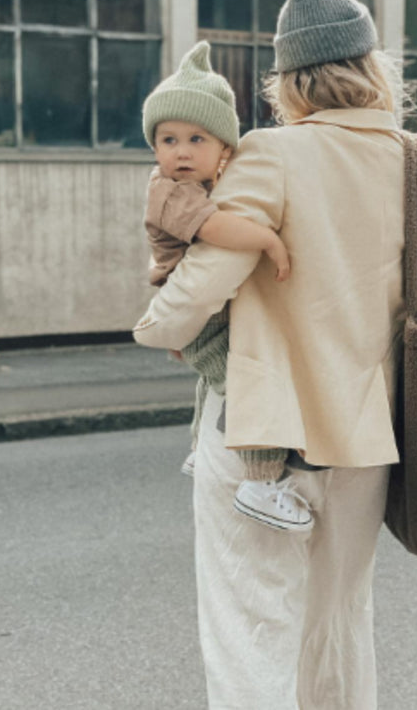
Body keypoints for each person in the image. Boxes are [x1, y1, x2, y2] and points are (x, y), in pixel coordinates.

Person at [133, 0, 417, 710]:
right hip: (369, 440)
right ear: (373, 68)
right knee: (338, 623)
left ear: (289, 83)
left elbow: (207, 279)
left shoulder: (272, 151)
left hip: (263, 434)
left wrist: (160, 326)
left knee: (252, 626)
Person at [141, 40, 312, 533]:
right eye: (168, 140)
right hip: (198, 311)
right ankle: (261, 481)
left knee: (214, 378)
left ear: (225, 150)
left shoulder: (204, 185)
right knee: (244, 382)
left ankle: (200, 448)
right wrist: (269, 241)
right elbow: (215, 230)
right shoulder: (168, 192)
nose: (181, 152)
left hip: (200, 311)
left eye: (197, 139)